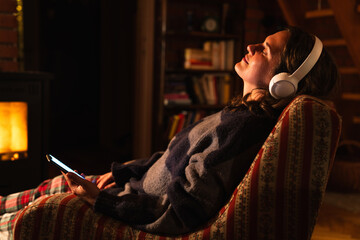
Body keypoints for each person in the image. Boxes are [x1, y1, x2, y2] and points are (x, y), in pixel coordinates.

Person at [0, 26, 339, 238]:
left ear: (284, 82)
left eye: (265, 49)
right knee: (54, 184)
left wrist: (100, 199)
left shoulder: (244, 128)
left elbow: (182, 210)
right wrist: (117, 175)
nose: (250, 47)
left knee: (40, 203)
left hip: (134, 206)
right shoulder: (237, 114)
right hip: (129, 191)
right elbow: (168, 160)